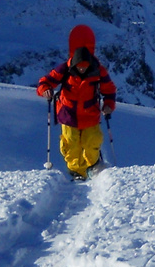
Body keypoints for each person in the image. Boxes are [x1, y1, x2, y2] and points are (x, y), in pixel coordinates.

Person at [37, 24, 117, 180]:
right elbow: (45, 82)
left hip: (90, 114)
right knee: (71, 144)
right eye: (79, 67)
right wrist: (45, 90)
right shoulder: (64, 69)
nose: (81, 69)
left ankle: (92, 165)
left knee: (91, 141)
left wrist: (108, 105)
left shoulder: (98, 71)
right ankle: (77, 172)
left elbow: (109, 90)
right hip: (68, 113)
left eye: (84, 67)